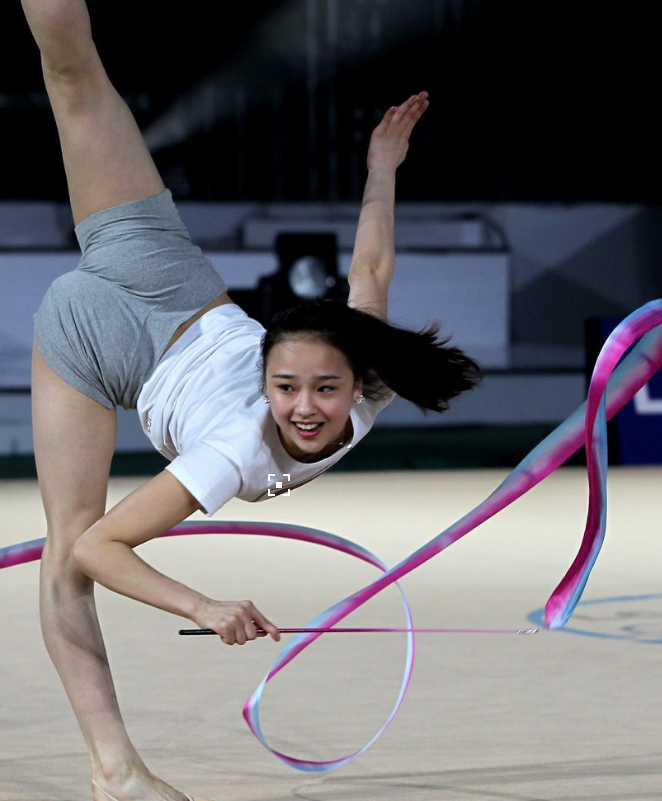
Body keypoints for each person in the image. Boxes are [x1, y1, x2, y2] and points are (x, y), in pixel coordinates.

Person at [22, 0, 481, 799]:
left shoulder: (369, 372)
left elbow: (368, 273)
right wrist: (203, 603)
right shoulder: (235, 447)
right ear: (265, 372)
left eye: (325, 390)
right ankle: (116, 768)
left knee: (61, 553)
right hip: (158, 267)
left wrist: (382, 167)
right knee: (72, 65)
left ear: (356, 381)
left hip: (91, 345)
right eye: (286, 386)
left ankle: (113, 769)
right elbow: (104, 545)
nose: (304, 407)